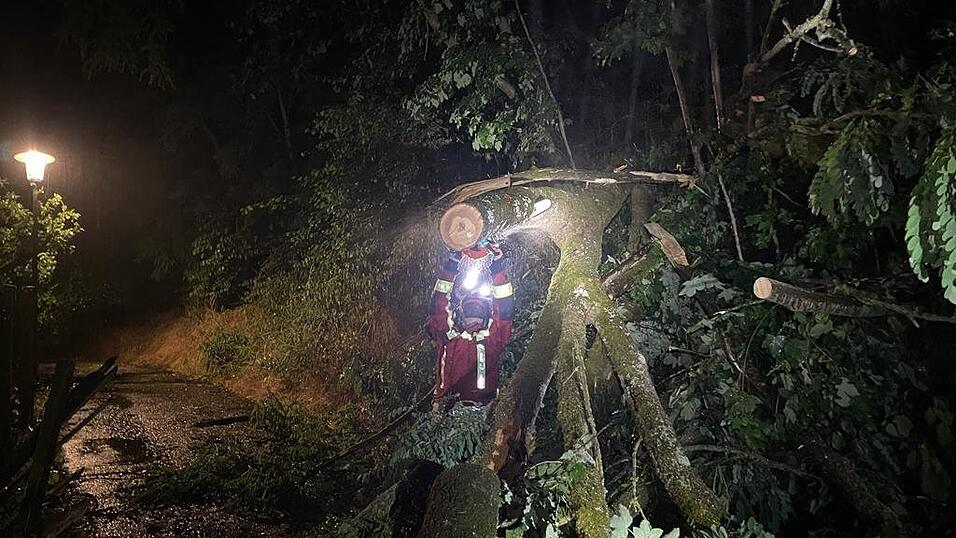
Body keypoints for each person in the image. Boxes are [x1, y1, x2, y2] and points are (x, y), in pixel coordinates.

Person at [426, 242, 513, 406]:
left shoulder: (490, 339)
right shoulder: (449, 336)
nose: (474, 309)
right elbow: (438, 306)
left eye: (477, 307)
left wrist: (497, 267)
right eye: (471, 306)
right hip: (447, 411)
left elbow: (504, 310)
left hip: (480, 411)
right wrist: (452, 264)